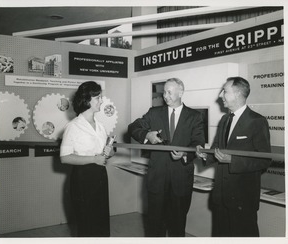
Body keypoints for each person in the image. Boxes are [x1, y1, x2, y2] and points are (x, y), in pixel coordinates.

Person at [128, 78, 205, 237]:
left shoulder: (194, 116)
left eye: (169, 92)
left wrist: (185, 154)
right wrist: (147, 135)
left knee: (177, 226)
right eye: (164, 92)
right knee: (155, 225)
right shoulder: (154, 113)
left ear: (181, 92)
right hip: (157, 178)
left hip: (181, 178)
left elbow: (198, 142)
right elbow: (133, 127)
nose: (165, 96)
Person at [196, 76, 271, 237]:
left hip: (242, 199)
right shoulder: (224, 120)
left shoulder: (257, 121)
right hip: (221, 197)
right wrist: (204, 154)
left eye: (225, 91)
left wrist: (233, 161)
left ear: (237, 94)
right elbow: (217, 148)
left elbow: (264, 160)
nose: (220, 95)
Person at [60, 81, 114, 237]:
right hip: (83, 178)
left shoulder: (101, 126)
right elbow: (65, 157)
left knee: (101, 223)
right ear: (87, 100)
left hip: (100, 176)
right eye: (98, 98)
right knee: (86, 225)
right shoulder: (73, 126)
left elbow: (104, 153)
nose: (101, 101)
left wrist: (108, 152)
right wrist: (94, 159)